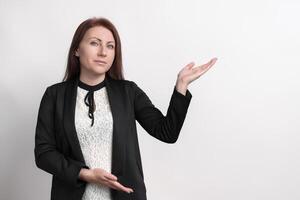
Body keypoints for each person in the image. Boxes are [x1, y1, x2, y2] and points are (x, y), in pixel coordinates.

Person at [34, 17, 217, 200]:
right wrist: (84, 174)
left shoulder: (128, 92)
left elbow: (166, 132)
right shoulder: (55, 95)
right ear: (76, 49)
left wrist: (181, 86)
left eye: (110, 46)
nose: (103, 52)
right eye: (94, 43)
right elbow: (44, 153)